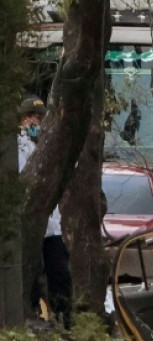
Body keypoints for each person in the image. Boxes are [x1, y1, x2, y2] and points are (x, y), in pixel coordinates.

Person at [19, 96, 74, 329]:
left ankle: (63, 315)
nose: (38, 123)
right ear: (22, 119)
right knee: (33, 273)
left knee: (59, 272)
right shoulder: (17, 147)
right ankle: (35, 313)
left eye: (41, 118)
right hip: (30, 225)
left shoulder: (41, 146)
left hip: (51, 226)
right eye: (34, 118)